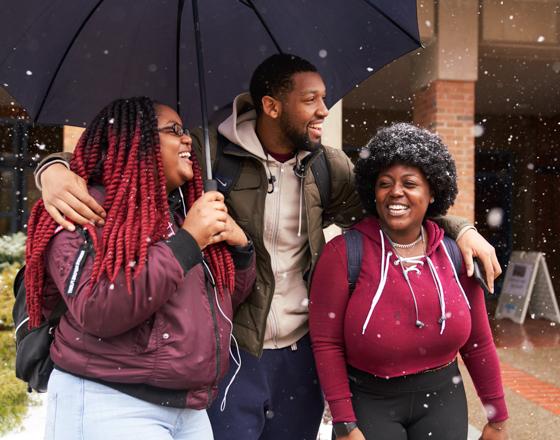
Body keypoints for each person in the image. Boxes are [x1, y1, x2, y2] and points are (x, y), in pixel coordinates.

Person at [34, 55, 501, 440]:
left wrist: (460, 228)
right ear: (273, 106)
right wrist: (50, 169)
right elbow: (114, 159)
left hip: (300, 351)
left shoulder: (328, 167)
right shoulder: (203, 151)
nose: (324, 111)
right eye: (312, 100)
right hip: (234, 347)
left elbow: (397, 202)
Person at [25, 97, 256, 440]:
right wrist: (189, 242)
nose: (188, 139)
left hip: (187, 410)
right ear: (136, 142)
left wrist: (240, 250)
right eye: (174, 130)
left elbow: (219, 307)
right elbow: (98, 308)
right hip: (110, 400)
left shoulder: (177, 218)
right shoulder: (84, 209)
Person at [309, 123, 509, 440]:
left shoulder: (458, 254)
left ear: (432, 193)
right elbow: (326, 343)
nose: (396, 192)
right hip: (370, 403)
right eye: (384, 183)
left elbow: (478, 342)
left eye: (410, 183)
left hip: (443, 399)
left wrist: (497, 419)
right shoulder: (343, 254)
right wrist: (345, 424)